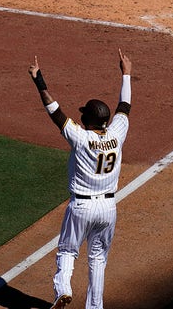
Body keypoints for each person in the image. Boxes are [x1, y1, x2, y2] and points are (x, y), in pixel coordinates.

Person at [28, 49, 132, 309]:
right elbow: (124, 106)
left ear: (87, 120)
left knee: (67, 251)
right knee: (97, 260)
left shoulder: (81, 138)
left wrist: (39, 81)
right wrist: (126, 73)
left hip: (82, 207)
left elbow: (56, 113)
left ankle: (63, 290)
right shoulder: (117, 132)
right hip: (108, 208)